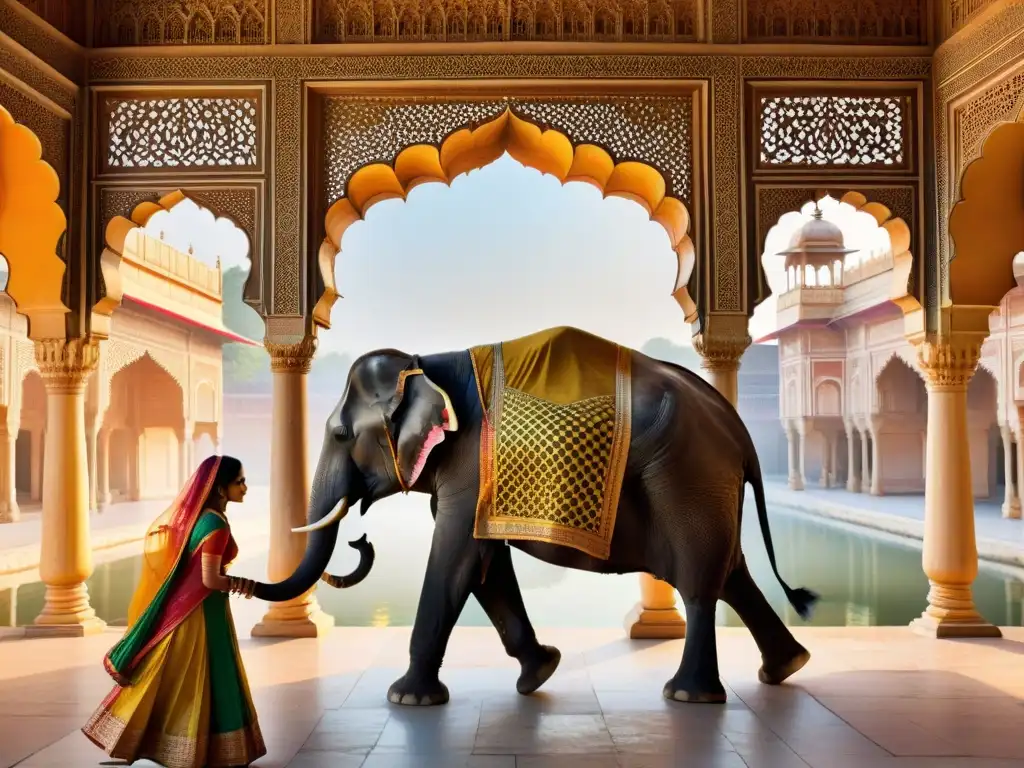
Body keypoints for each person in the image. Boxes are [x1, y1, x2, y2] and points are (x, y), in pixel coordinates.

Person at [82, 455, 267, 768]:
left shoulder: (200, 518)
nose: (246, 488)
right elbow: (211, 579)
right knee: (205, 679)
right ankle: (204, 750)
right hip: (202, 615)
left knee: (167, 679)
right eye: (240, 482)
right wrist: (246, 585)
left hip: (187, 610)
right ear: (221, 488)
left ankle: (150, 743)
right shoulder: (216, 525)